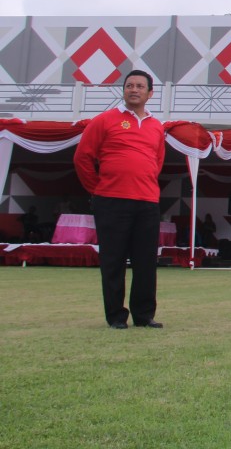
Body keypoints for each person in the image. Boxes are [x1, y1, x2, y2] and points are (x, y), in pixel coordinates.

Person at [73, 69, 166, 329]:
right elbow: (82, 158)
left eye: (139, 86)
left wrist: (143, 183)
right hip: (111, 200)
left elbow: (156, 162)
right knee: (113, 261)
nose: (133, 90)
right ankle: (115, 316)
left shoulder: (156, 127)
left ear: (150, 93)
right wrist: (97, 189)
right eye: (129, 85)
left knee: (146, 261)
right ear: (123, 90)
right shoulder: (104, 120)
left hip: (147, 202)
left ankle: (144, 315)